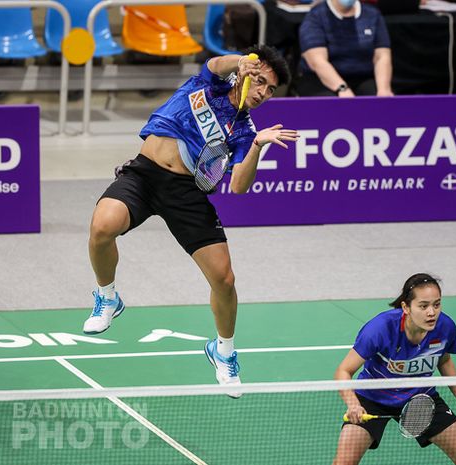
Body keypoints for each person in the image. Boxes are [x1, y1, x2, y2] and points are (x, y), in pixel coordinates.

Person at [82, 45, 299, 395]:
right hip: (144, 175)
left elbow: (240, 186)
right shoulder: (209, 85)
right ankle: (108, 298)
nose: (262, 92)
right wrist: (240, 63)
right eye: (260, 81)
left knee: (224, 279)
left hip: (186, 193)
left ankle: (223, 351)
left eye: (270, 89)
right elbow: (216, 63)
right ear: (244, 72)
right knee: (101, 227)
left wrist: (258, 145)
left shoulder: (243, 130)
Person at [333, 273, 456, 465]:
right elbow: (343, 371)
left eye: (436, 304)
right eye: (423, 306)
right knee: (343, 463)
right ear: (406, 307)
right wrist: (353, 404)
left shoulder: (445, 327)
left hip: (421, 399)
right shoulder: (380, 329)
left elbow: (444, 360)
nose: (431, 313)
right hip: (372, 398)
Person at [297, 0, 394, 97]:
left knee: (380, 102)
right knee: (334, 105)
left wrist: (383, 89)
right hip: (321, 80)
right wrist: (342, 88)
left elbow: (382, 56)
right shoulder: (316, 16)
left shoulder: (372, 14)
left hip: (362, 77)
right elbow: (317, 62)